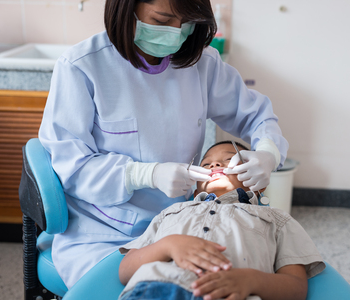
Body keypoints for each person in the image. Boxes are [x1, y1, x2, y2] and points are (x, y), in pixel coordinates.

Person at [38, 0, 289, 289]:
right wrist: (145, 174)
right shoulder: (81, 67)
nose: (176, 32)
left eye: (187, 23)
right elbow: (72, 166)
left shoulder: (202, 63)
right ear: (126, 8)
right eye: (162, 20)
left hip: (180, 225)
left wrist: (268, 152)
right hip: (105, 232)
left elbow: (256, 115)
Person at [118, 141, 325, 300]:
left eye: (229, 160)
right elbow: (125, 270)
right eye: (206, 164)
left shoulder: (277, 221)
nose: (215, 165)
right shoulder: (171, 212)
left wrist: (253, 280)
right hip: (157, 288)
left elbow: (296, 287)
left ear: (258, 181)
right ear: (196, 187)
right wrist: (167, 246)